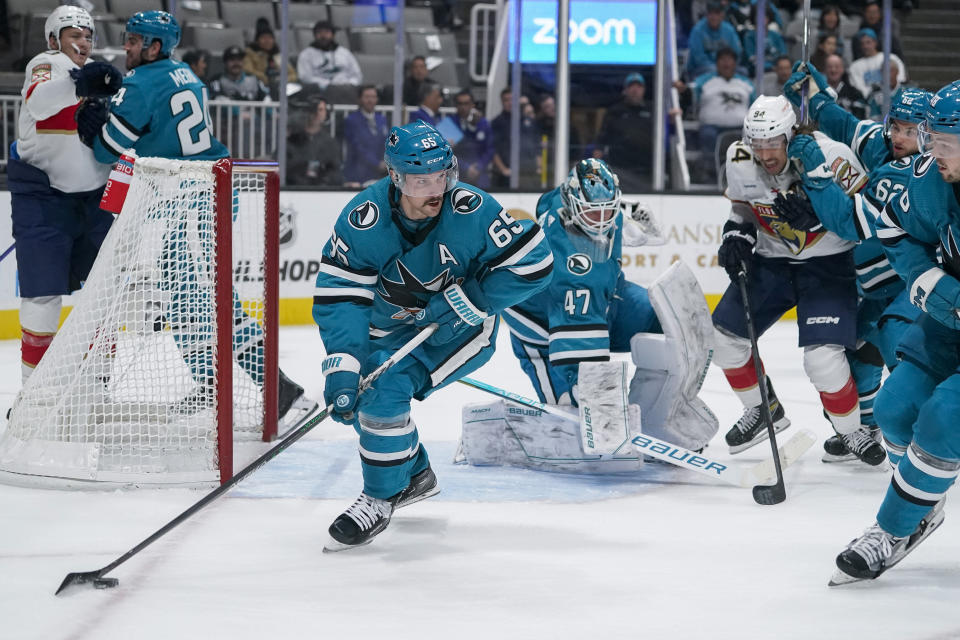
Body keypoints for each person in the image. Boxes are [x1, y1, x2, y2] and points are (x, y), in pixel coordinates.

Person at [314, 120, 553, 550]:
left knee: (383, 388)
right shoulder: (362, 220)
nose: (435, 189)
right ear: (395, 178)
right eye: (422, 180)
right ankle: (415, 472)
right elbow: (342, 299)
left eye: (441, 175)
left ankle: (381, 496)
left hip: (460, 330)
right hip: (391, 329)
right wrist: (342, 368)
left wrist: (470, 300)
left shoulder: (470, 210)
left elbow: (535, 263)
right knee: (361, 393)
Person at [78, 10, 317, 432]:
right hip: (199, 193)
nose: (127, 47)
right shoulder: (184, 72)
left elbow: (106, 149)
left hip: (193, 199)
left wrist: (92, 118)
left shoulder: (140, 83)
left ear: (155, 47)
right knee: (181, 297)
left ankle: (278, 386)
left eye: (134, 41)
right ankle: (210, 382)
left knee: (212, 298)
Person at [462, 159, 716, 472]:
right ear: (573, 206)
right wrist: (599, 406)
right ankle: (513, 427)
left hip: (607, 298)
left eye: (609, 210)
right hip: (545, 332)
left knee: (668, 326)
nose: (602, 221)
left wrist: (625, 209)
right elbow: (580, 356)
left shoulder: (570, 201)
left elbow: (551, 199)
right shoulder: (568, 265)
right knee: (571, 418)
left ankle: (658, 416)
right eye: (594, 213)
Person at [829, 80, 960, 585]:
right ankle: (922, 498)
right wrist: (934, 286)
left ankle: (892, 526)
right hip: (948, 325)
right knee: (893, 410)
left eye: (944, 141)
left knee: (944, 419)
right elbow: (894, 228)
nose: (932, 151)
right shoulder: (930, 179)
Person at [780, 62, 930, 465]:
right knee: (852, 361)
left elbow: (847, 221)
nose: (899, 137)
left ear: (927, 135)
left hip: (909, 290)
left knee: (906, 359)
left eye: (910, 131)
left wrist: (814, 168)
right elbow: (845, 125)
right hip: (877, 289)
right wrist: (816, 92)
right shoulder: (883, 143)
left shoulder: (910, 175)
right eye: (896, 126)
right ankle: (864, 432)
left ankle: (925, 445)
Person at [711, 95, 875, 461]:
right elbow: (742, 206)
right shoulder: (739, 158)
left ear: (790, 134)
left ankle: (851, 432)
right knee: (722, 339)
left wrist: (821, 217)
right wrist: (736, 232)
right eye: (758, 144)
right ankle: (762, 409)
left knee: (823, 361)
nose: (765, 154)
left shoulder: (831, 154)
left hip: (829, 265)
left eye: (773, 143)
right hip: (772, 263)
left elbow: (864, 216)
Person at [8, 5, 119, 384]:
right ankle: (34, 394)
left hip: (94, 202)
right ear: (55, 39)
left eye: (89, 36)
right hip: (43, 200)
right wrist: (81, 87)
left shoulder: (99, 77)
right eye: (75, 34)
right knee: (41, 298)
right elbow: (39, 102)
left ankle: (97, 387)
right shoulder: (47, 63)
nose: (84, 42)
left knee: (106, 298)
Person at [677, 48, 755, 183]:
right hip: (711, 127)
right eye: (722, 60)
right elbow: (689, 91)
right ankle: (712, 177)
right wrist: (683, 89)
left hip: (740, 128)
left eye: (729, 60)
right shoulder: (704, 80)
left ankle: (743, 179)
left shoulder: (746, 83)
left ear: (735, 64)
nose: (726, 63)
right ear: (717, 63)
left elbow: (754, 105)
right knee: (708, 136)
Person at [594, 72, 654, 192]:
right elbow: (602, 138)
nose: (635, 90)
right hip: (620, 169)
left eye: (639, 86)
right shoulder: (615, 111)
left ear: (644, 90)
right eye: (631, 86)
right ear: (625, 90)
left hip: (646, 170)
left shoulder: (653, 110)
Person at [438, 90, 494, 189]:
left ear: (472, 105)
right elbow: (446, 152)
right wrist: (466, 168)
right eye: (460, 104)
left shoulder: (482, 123)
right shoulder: (449, 123)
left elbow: (490, 149)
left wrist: (479, 166)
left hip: (480, 175)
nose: (463, 107)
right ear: (455, 105)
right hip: (457, 175)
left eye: (466, 103)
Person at [286, 94, 342, 187]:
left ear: (326, 113)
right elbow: (285, 167)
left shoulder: (329, 142)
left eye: (321, 110)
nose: (317, 113)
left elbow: (335, 170)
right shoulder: (293, 139)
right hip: (294, 189)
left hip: (321, 191)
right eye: (314, 109)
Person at [490, 88, 541, 190]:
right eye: (506, 100)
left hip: (529, 173)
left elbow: (537, 146)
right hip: (507, 175)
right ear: (502, 102)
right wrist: (503, 169)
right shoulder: (497, 123)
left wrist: (539, 167)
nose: (509, 102)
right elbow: (492, 149)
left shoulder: (528, 121)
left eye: (512, 99)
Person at [342, 84, 389, 188]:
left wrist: (387, 162)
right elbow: (357, 147)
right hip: (358, 173)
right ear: (360, 99)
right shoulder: (351, 120)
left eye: (373, 97)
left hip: (380, 174)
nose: (370, 100)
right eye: (367, 97)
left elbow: (386, 143)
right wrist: (377, 163)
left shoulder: (382, 119)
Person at [295, 20, 362, 92]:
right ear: (315, 35)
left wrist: (348, 84)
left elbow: (357, 76)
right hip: (319, 91)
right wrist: (327, 84)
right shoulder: (306, 54)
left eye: (327, 32)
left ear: (333, 35)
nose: (323, 36)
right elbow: (305, 77)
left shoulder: (345, 53)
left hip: (345, 90)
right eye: (319, 32)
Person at [686, 0, 743, 79]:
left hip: (725, 68)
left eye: (717, 13)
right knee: (711, 70)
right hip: (701, 69)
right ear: (706, 15)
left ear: (722, 15)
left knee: (743, 72)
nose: (714, 17)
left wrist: (727, 66)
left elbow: (736, 53)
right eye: (711, 13)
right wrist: (719, 69)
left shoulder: (729, 30)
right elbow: (698, 58)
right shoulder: (697, 30)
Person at [243, 17, 296, 100]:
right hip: (259, 87)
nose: (267, 41)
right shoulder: (250, 53)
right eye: (263, 38)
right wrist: (265, 78)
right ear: (257, 40)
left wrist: (282, 80)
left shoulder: (277, 55)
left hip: (279, 87)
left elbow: (292, 74)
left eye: (270, 38)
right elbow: (248, 71)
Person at [847, 28, 906, 99]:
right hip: (870, 102)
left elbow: (900, 78)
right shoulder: (855, 66)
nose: (865, 46)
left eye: (868, 42)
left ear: (875, 42)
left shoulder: (891, 57)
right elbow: (859, 88)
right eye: (862, 43)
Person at [823, 53, 868, 120]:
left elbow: (860, 120)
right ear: (824, 70)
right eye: (830, 67)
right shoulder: (819, 94)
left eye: (837, 67)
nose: (833, 70)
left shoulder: (855, 94)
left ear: (842, 69)